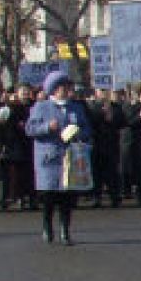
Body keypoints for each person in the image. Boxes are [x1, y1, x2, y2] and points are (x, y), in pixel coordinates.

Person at [26, 70, 92, 245]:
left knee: (67, 197)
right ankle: (47, 227)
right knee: (49, 196)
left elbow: (87, 129)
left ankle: (65, 230)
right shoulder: (41, 107)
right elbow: (30, 129)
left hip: (70, 158)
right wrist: (48, 127)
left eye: (67, 86)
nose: (67, 90)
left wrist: (78, 132)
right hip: (49, 159)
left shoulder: (75, 107)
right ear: (54, 89)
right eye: (63, 87)